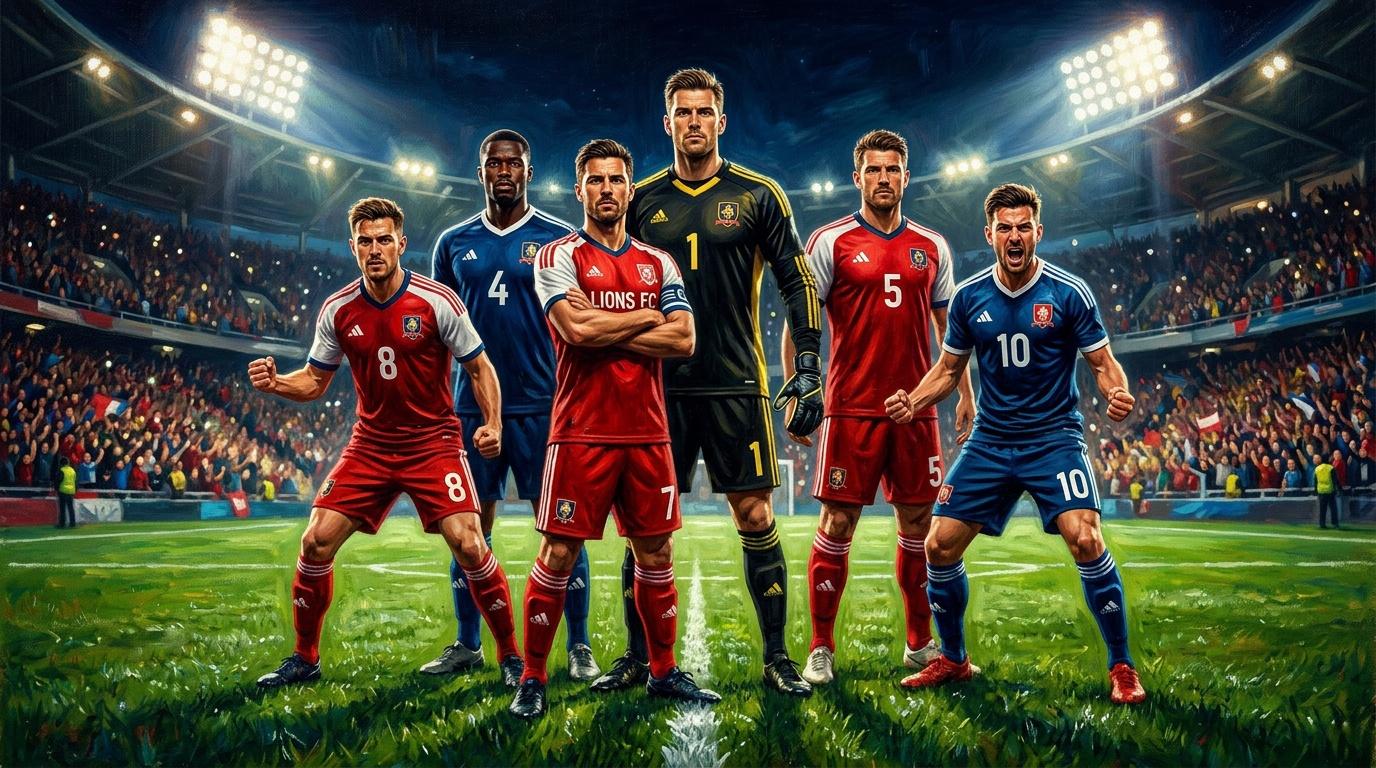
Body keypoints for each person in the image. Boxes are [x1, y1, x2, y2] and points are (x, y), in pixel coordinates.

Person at [885, 183, 1146, 705]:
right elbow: (948, 369)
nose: (1015, 235)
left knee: (1087, 538)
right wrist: (914, 401)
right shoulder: (969, 298)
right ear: (990, 234)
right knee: (937, 546)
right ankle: (954, 659)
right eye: (1005, 227)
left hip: (1054, 438)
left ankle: (1122, 666)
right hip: (991, 440)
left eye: (1024, 226)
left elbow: (1102, 363)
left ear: (1038, 232)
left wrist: (1117, 392)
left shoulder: (1070, 293)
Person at [248, 197, 521, 690]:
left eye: (384, 240)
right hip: (369, 445)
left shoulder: (438, 301)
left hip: (433, 443)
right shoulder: (337, 309)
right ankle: (305, 659)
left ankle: (510, 657)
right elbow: (314, 380)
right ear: (353, 247)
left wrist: (494, 424)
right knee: (315, 541)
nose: (375, 250)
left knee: (469, 541)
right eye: (365, 241)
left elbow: (480, 366)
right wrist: (276, 384)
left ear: (401, 244)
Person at [614, 67, 822, 696]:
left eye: (705, 112)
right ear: (668, 120)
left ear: (721, 121)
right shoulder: (641, 199)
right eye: (684, 112)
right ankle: (636, 657)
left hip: (737, 382)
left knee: (756, 513)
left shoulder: (760, 195)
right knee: (646, 527)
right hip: (658, 390)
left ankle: (778, 658)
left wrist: (808, 363)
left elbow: (798, 280)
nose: (695, 122)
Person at [509, 139, 717, 718]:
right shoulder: (557, 256)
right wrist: (647, 315)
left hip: (648, 432)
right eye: (595, 180)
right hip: (580, 430)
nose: (606, 190)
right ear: (580, 190)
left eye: (615, 180)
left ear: (630, 189)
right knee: (557, 552)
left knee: (655, 551)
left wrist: (611, 325)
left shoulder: (660, 261)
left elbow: (685, 339)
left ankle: (664, 670)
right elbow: (575, 329)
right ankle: (531, 677)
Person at [787, 130, 974, 685]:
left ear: (906, 177)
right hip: (850, 407)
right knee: (837, 522)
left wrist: (964, 393)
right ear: (858, 177)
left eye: (893, 169)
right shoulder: (830, 241)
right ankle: (821, 647)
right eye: (874, 170)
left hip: (917, 410)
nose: (884, 178)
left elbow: (952, 330)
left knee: (918, 523)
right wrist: (806, 386)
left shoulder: (933, 246)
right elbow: (804, 320)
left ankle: (919, 644)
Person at [426, 130, 599, 681]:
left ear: (528, 171)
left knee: (563, 527)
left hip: (547, 403)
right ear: (480, 173)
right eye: (493, 163)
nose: (504, 170)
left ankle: (578, 646)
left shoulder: (559, 238)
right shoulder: (452, 243)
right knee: (470, 527)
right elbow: (437, 332)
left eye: (514, 163)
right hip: (472, 406)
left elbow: (582, 321)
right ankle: (468, 643)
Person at [1312, 453, 1340, 528]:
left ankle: (1322, 524)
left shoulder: (1317, 468)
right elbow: (1335, 480)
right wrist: (1338, 489)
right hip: (1330, 491)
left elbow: (1315, 481)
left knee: (1322, 509)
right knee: (1333, 508)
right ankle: (1335, 523)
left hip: (1321, 491)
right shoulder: (1331, 468)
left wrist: (1315, 491)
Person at [54, 456, 77, 528]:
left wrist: (56, 489)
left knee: (62, 508)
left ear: (61, 464)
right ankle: (72, 523)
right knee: (71, 508)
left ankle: (62, 523)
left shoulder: (61, 470)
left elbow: (58, 481)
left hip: (63, 491)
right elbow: (76, 481)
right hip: (71, 492)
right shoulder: (73, 470)